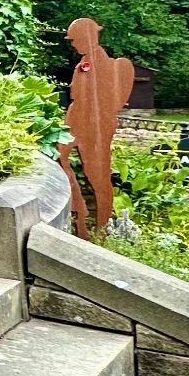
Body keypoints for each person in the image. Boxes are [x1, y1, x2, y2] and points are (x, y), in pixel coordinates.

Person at [57, 17, 134, 240]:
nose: (72, 44)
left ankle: (100, 228)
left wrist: (89, 126)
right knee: (60, 159)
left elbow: (98, 102)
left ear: (87, 37)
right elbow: (78, 99)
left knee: (97, 175)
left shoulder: (100, 62)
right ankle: (79, 214)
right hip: (78, 122)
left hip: (94, 126)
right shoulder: (86, 62)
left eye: (75, 39)